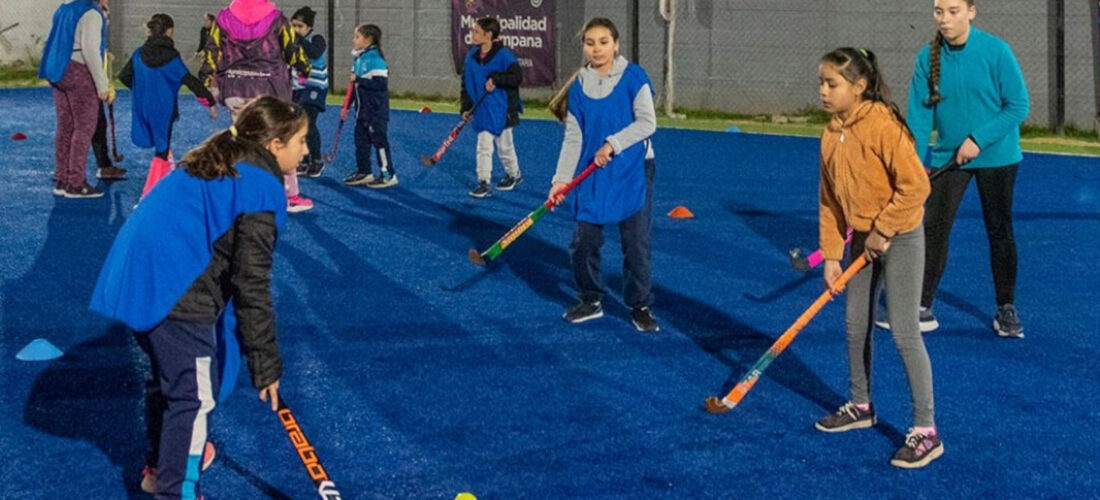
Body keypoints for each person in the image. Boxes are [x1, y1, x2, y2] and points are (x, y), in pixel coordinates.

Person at [90, 96, 306, 499]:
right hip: (174, 287)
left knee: (170, 383)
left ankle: (160, 467)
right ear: (275, 144)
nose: (306, 150)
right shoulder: (259, 186)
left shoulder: (226, 156)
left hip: (139, 276)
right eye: (302, 141)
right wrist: (265, 362)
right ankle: (176, 491)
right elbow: (251, 282)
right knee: (192, 398)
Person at [814, 47, 942, 469]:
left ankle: (926, 430)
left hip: (901, 234)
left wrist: (884, 229)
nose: (824, 91)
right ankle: (860, 405)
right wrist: (832, 257)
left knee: (904, 332)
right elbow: (830, 203)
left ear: (859, 86)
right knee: (854, 326)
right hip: (860, 242)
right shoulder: (831, 134)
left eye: (832, 84)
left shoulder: (883, 125)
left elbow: (916, 188)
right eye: (822, 83)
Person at [894, 0, 1030, 338]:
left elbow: (1018, 106)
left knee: (999, 230)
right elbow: (920, 117)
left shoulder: (996, 51)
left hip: (997, 156)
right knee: (934, 229)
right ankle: (921, 305)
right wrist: (912, 163)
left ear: (971, 11)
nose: (945, 19)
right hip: (948, 158)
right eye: (939, 11)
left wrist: (977, 140)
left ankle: (1005, 308)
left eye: (953, 11)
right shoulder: (927, 58)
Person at [546, 18, 658, 333]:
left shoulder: (634, 76)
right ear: (584, 47)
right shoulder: (579, 85)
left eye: (603, 42)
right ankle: (590, 298)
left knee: (635, 242)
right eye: (590, 43)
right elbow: (574, 137)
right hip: (593, 170)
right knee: (584, 240)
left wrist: (613, 143)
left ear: (616, 44)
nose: (597, 49)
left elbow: (648, 123)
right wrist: (561, 180)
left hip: (633, 168)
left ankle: (640, 305)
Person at [200, 0, 314, 212]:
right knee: (279, 140)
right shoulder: (277, 19)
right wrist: (305, 69)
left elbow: (212, 51)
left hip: (234, 87)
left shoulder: (223, 19)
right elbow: (292, 50)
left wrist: (206, 82)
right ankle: (288, 195)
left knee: (243, 141)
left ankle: (245, 194)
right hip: (269, 88)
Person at [119, 13, 218, 198]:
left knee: (162, 144)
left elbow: (124, 76)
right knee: (161, 151)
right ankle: (149, 194)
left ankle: (167, 173)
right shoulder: (171, 58)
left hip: (144, 107)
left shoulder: (138, 54)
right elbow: (190, 81)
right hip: (164, 110)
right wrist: (210, 102)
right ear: (170, 31)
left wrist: (142, 89)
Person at [39, 0, 111, 198]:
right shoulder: (91, 13)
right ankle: (77, 183)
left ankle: (62, 179)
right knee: (84, 127)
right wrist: (102, 84)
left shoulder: (64, 8)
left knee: (65, 127)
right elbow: (90, 50)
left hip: (58, 69)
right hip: (79, 70)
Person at [460, 17, 523, 198]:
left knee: (505, 147)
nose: (473, 34)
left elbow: (517, 77)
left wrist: (496, 79)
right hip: (483, 110)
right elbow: (466, 84)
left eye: (476, 32)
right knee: (484, 145)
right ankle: (484, 182)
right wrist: (465, 107)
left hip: (502, 109)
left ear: (488, 35)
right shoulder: (471, 56)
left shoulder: (504, 56)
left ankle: (514, 174)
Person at [341, 24, 397, 188]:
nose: (354, 40)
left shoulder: (375, 60)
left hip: (375, 112)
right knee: (361, 143)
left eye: (357, 37)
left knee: (379, 143)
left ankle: (388, 174)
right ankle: (364, 172)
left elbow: (380, 84)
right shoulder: (358, 58)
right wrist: (346, 106)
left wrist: (358, 79)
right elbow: (353, 87)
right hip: (361, 112)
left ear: (367, 39)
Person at [289, 6, 329, 178]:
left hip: (314, 87)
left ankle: (317, 160)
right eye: (294, 26)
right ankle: (304, 160)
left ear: (308, 27)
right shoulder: (290, 42)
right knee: (296, 126)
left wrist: (298, 39)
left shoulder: (316, 39)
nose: (296, 29)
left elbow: (314, 52)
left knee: (308, 123)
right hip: (297, 88)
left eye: (300, 26)